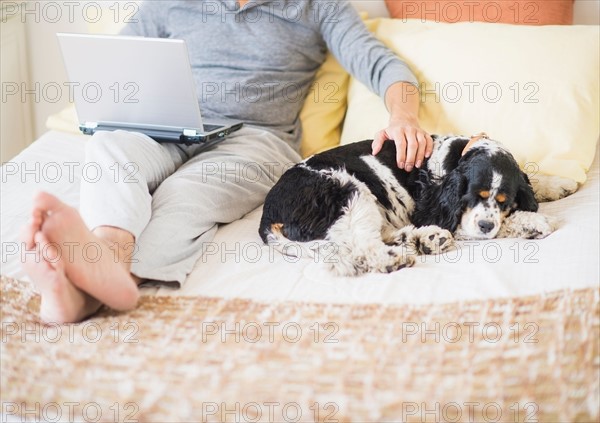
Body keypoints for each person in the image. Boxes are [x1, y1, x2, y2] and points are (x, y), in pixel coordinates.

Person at [21, 0, 433, 323]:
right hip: (166, 128)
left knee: (182, 194)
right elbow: (116, 61)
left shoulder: (318, 5)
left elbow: (379, 62)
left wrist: (403, 116)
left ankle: (92, 290)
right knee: (109, 144)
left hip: (254, 140)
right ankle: (104, 260)